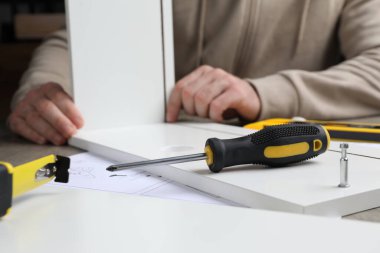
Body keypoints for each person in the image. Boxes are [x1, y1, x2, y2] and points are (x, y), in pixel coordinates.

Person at [8, 0, 380, 145]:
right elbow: (78, 38)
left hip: (298, 155)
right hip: (156, 155)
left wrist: (262, 94)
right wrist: (41, 90)